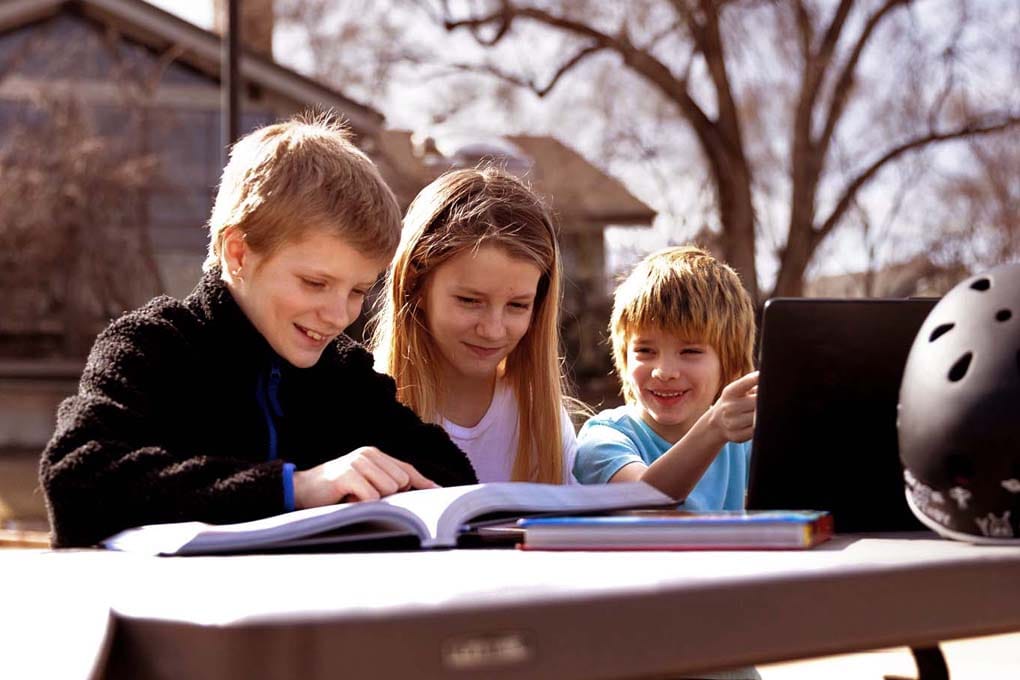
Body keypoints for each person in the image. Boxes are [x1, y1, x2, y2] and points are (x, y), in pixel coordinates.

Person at [40, 115, 477, 548]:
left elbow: (449, 475)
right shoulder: (150, 348)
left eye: (358, 290)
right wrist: (294, 488)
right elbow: (76, 481)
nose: (338, 315)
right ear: (238, 253)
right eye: (315, 283)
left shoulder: (343, 375)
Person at [370, 166, 577, 484]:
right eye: (470, 301)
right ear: (415, 285)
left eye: (517, 306)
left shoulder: (541, 420)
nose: (493, 330)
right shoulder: (363, 409)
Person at [573, 245, 758, 508]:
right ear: (624, 358)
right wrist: (714, 429)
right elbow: (644, 501)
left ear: (730, 363)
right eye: (645, 350)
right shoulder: (603, 438)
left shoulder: (743, 442)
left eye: (690, 351)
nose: (664, 371)